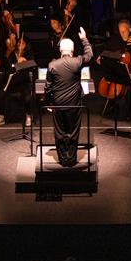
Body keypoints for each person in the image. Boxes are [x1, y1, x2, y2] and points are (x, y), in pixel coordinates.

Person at [46, 27, 92, 166]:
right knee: (73, 132)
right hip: (74, 105)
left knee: (60, 132)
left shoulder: (52, 65)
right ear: (72, 51)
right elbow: (89, 55)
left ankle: (62, 160)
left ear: (60, 50)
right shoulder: (77, 62)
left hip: (58, 105)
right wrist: (84, 39)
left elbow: (48, 88)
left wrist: (50, 103)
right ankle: (71, 160)